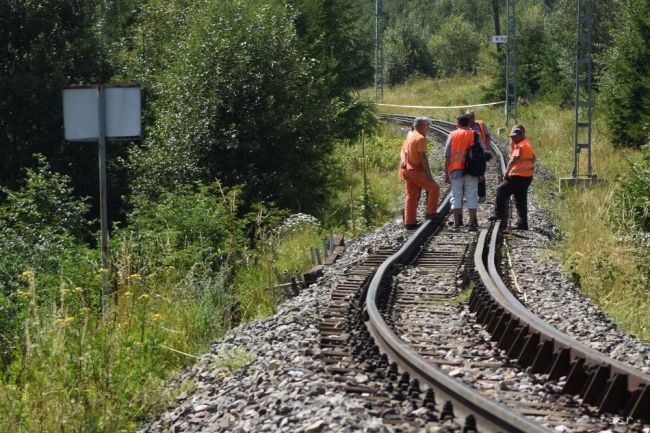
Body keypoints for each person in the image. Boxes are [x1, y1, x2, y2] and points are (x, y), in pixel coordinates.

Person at [488, 125, 536, 230]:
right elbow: (533, 157)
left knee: (501, 190)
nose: (513, 138)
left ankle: (499, 215)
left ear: (521, 135)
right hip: (526, 177)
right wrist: (530, 170)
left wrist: (506, 173)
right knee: (520, 200)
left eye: (515, 137)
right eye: (512, 137)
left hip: (517, 177)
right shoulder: (527, 143)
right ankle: (523, 224)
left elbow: (513, 160)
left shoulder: (519, 146)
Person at [399, 117, 440, 230]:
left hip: (406, 169)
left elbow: (403, 152)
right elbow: (423, 157)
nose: (428, 128)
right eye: (427, 125)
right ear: (422, 126)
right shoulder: (421, 138)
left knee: (411, 196)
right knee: (434, 188)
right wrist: (429, 174)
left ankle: (410, 222)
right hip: (415, 171)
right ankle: (431, 213)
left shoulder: (410, 136)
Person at [444, 114, 481, 231]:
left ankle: (456, 224)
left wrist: (446, 173)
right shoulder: (474, 134)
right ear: (468, 123)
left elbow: (447, 156)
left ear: (458, 124)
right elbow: (480, 156)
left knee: (456, 196)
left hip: (456, 170)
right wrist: (481, 172)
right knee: (472, 196)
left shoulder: (453, 135)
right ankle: (471, 224)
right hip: (472, 170)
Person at [466, 111, 492, 204]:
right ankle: (472, 194)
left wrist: (487, 150)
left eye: (472, 118)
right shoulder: (464, 125)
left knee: (481, 174)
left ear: (474, 117)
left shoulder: (480, 124)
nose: (470, 120)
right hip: (469, 154)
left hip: (481, 153)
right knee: (470, 173)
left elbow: (487, 136)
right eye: (468, 118)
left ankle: (482, 195)